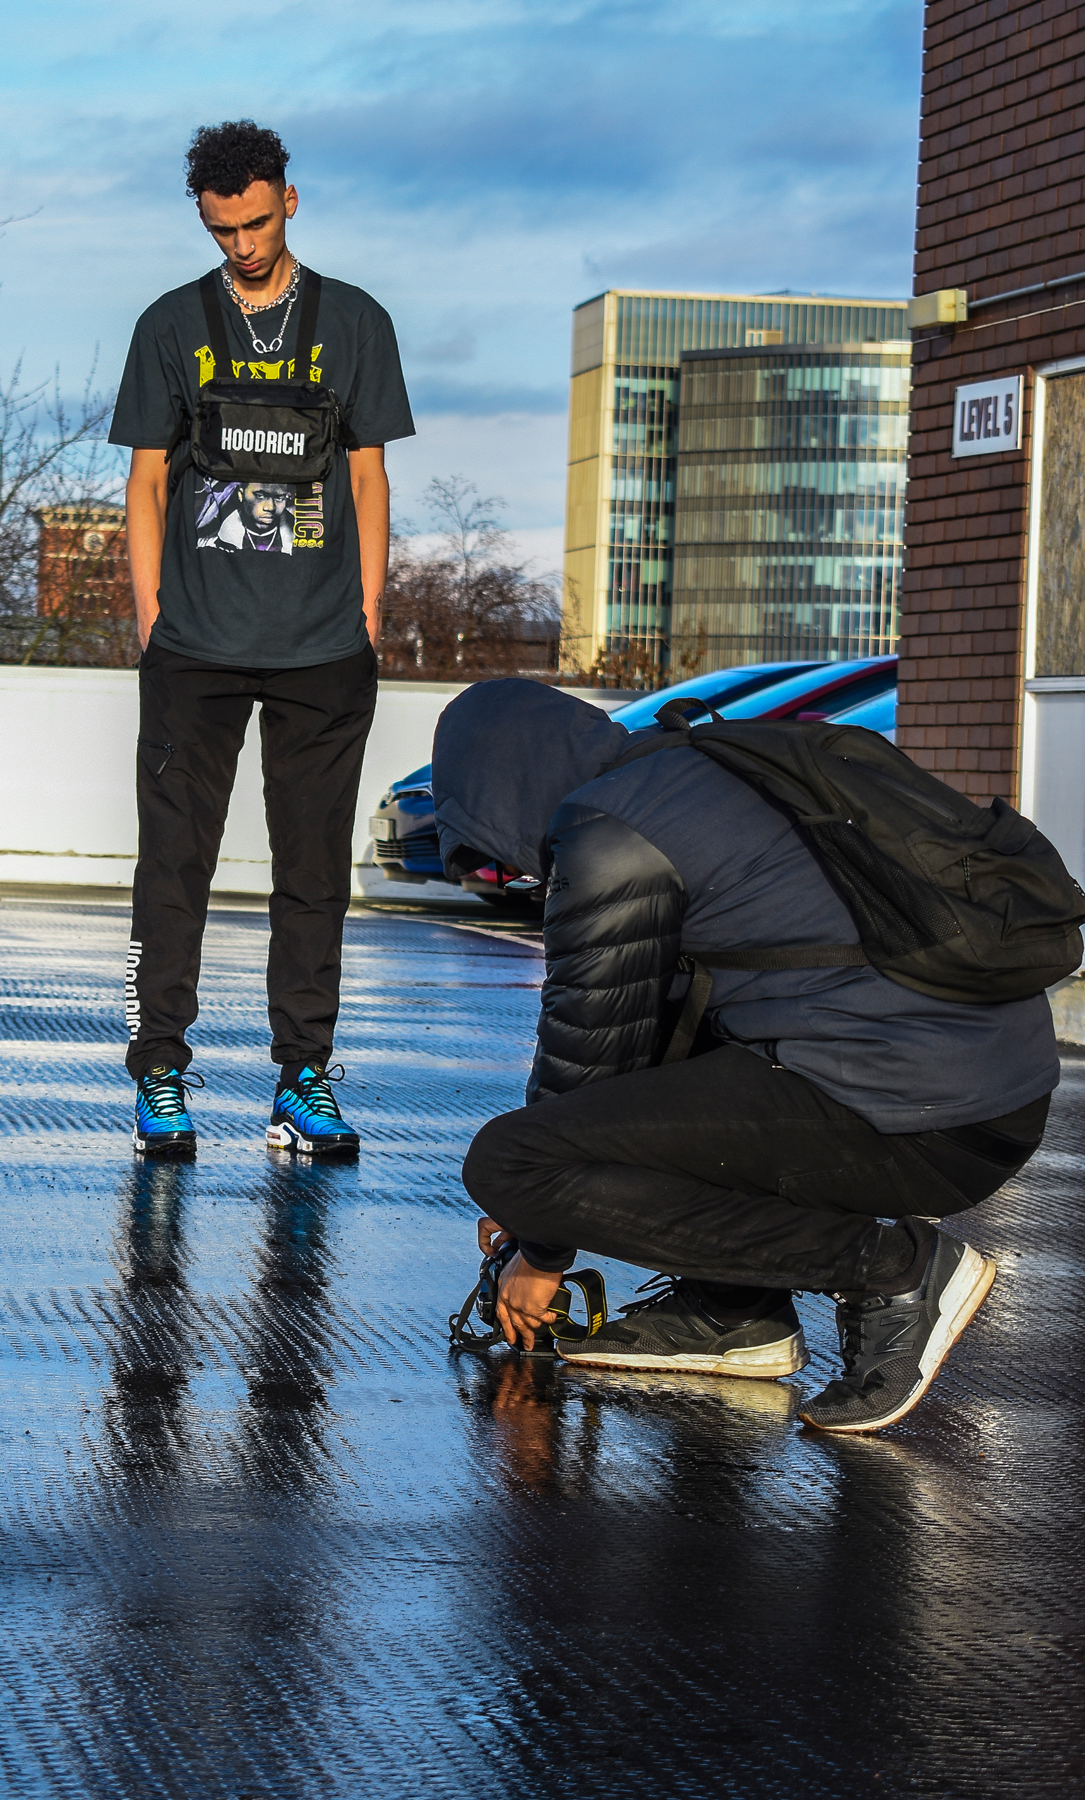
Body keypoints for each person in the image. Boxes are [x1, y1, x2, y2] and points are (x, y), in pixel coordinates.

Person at [433, 680, 1058, 1435]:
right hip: (982, 1090)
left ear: (501, 787)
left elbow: (586, 1057)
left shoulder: (608, 834)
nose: (518, 875)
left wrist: (537, 1246)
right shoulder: (692, 768)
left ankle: (896, 1271)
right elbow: (648, 1041)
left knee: (512, 1163)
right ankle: (733, 1312)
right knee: (661, 1052)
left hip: (919, 1112)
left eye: (494, 854)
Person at [110, 119, 414, 1159]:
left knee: (313, 867)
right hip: (194, 645)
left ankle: (305, 1079)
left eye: (254, 221)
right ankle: (160, 1072)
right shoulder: (170, 324)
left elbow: (369, 474)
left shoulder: (356, 321)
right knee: (175, 862)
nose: (240, 245)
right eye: (220, 228)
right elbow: (147, 478)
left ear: (290, 200)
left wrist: (369, 613)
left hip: (324, 648)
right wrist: (151, 615)